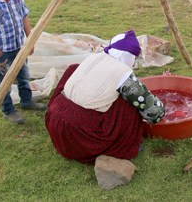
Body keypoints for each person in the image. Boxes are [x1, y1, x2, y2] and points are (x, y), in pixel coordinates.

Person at [45, 30, 165, 164]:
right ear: (129, 56)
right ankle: (126, 143)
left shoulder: (94, 58)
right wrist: (162, 108)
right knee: (128, 102)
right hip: (79, 136)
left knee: (74, 69)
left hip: (56, 123)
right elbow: (153, 111)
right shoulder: (123, 73)